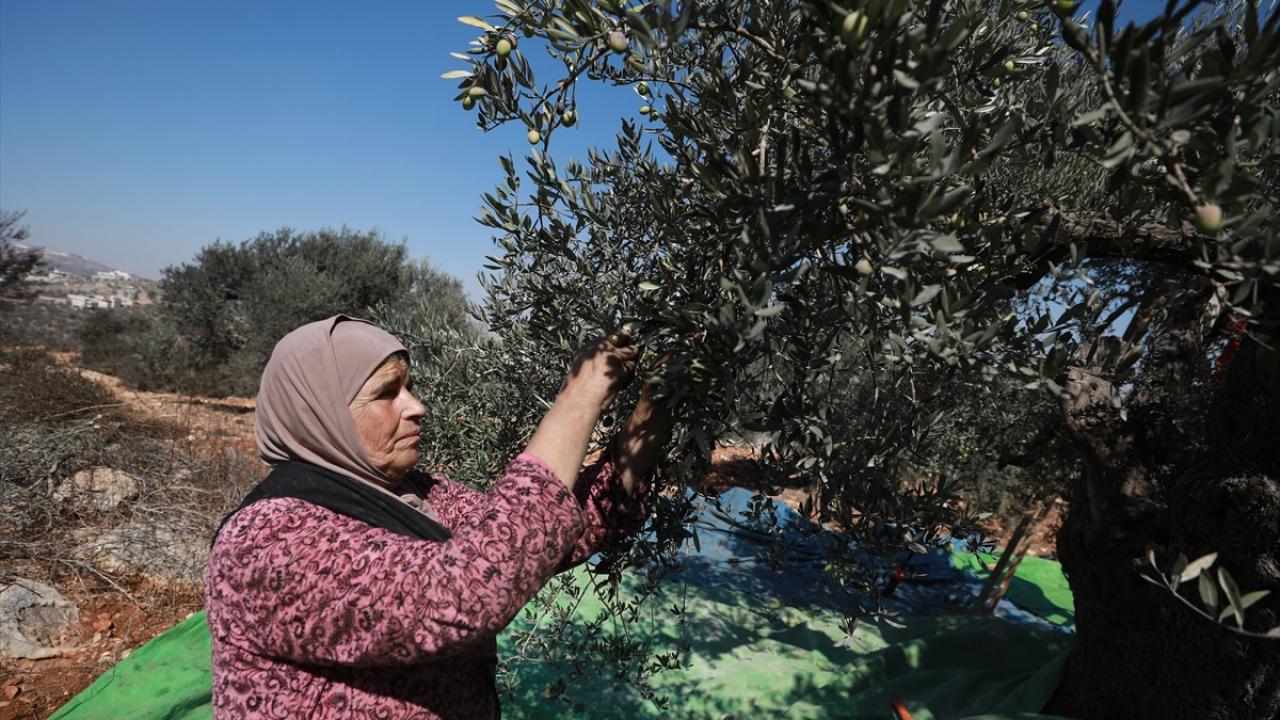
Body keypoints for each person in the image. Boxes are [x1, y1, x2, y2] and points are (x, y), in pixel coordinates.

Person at [204, 315, 672, 719]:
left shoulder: (419, 494)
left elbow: (548, 534)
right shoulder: (267, 541)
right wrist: (579, 398)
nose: (416, 407)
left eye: (409, 387)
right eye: (388, 392)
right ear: (320, 414)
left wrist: (659, 397)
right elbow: (462, 597)